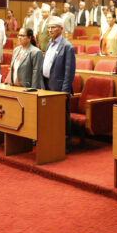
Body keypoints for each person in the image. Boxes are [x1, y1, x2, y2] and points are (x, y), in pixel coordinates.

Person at [42, 16, 76, 152]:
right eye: (49, 27)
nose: (50, 30)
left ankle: (66, 144)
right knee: (50, 117)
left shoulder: (67, 47)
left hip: (59, 88)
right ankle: (52, 140)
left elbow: (69, 72)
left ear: (61, 29)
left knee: (62, 117)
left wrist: (65, 92)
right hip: (47, 85)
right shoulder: (49, 44)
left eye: (53, 27)